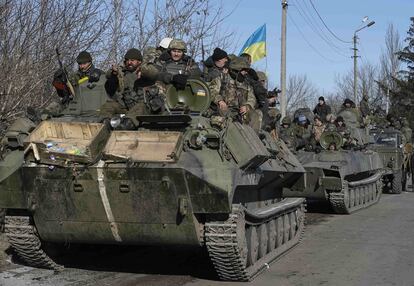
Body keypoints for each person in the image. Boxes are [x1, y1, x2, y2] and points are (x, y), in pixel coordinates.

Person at [213, 56, 256, 125]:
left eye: (247, 70)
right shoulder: (223, 78)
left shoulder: (246, 84)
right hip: (224, 109)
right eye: (244, 70)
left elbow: (252, 98)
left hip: (239, 112)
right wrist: (220, 101)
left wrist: (247, 106)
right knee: (222, 112)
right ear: (237, 69)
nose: (246, 72)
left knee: (253, 115)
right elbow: (213, 91)